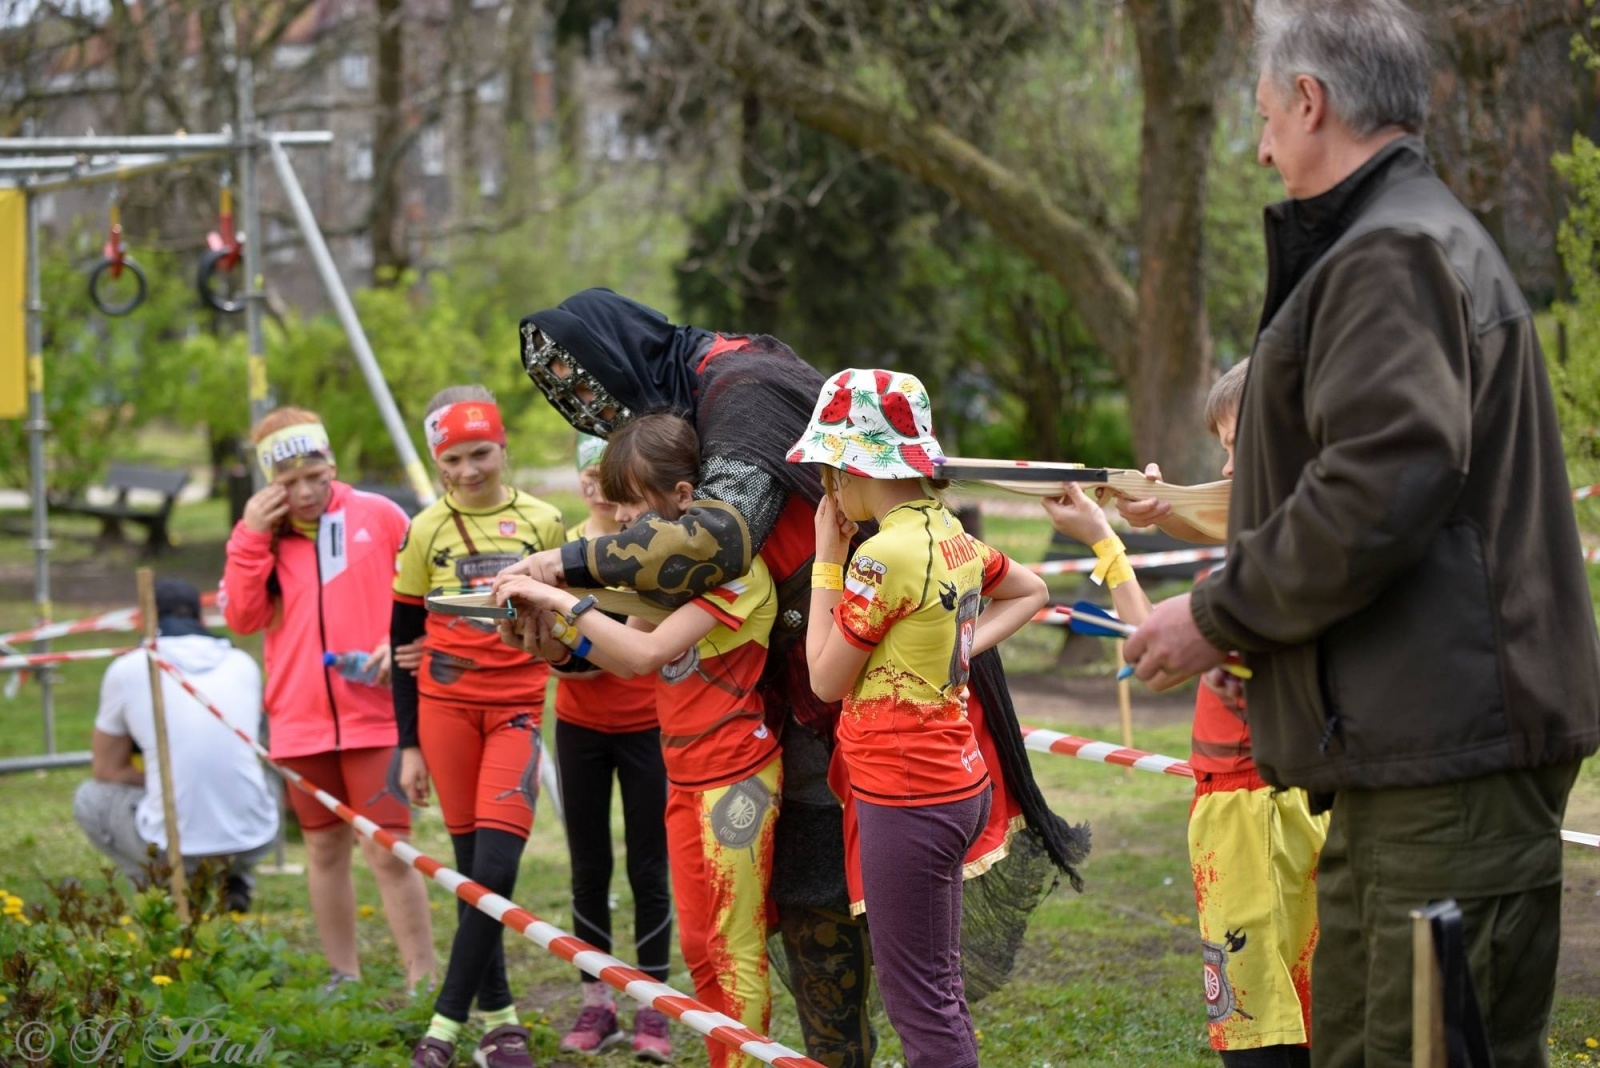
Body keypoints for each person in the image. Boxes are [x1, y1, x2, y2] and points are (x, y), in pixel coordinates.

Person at [1123, 3, 1600, 1064]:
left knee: (1419, 1047)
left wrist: (1216, 615)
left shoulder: (1390, 252)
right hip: (1406, 758)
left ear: (1310, 100)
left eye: (1263, 117)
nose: (1257, 148)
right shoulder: (1402, 239)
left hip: (1446, 766)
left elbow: (1382, 480)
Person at [501, 288, 1087, 1067]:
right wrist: (562, 636)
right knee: (829, 936)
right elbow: (648, 620)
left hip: (862, 716)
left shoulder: (743, 389)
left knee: (905, 978)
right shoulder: (708, 409)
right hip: (806, 710)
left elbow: (718, 541)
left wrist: (560, 566)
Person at [1048, 360, 1328, 1068]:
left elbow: (1164, 665)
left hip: (1256, 815)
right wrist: (1120, 532)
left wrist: (1131, 527)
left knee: (1264, 1038)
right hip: (1252, 812)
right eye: (1223, 451)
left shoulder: (1268, 571)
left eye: (1240, 447)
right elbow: (1163, 656)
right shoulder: (1276, 558)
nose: (1228, 468)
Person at [496, 412, 782, 1068]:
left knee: (734, 953)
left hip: (735, 780)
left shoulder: (738, 575)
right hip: (687, 775)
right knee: (701, 949)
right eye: (614, 503)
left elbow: (643, 654)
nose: (622, 521)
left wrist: (554, 595)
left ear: (683, 500)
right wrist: (548, 623)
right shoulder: (684, 573)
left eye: (632, 504)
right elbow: (620, 628)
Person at [794, 369, 1048, 1068]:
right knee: (935, 989)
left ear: (851, 467)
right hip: (951, 783)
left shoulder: (880, 557)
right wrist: (959, 648)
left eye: (827, 469)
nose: (827, 487)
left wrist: (825, 559)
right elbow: (1032, 589)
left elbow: (822, 679)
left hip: (909, 794)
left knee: (919, 1003)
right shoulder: (951, 533)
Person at [220, 406, 437, 996]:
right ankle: (344, 975)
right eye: (289, 484)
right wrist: (249, 537)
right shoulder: (259, 538)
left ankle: (423, 978)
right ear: (269, 484)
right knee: (322, 848)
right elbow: (242, 616)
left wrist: (400, 645)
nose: (307, 492)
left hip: (375, 717)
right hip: (299, 722)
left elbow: (427, 598)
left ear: (331, 463)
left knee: (389, 848)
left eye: (316, 476)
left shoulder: (380, 515)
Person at [390, 387, 564, 1068]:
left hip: (518, 709)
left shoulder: (546, 521)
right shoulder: (425, 528)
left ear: (503, 448)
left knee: (495, 867)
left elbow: (569, 619)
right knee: (470, 874)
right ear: (439, 464)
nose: (470, 470)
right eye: (454, 459)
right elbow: (403, 636)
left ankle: (442, 1029)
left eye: (481, 453)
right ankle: (503, 1023)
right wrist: (407, 745)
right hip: (444, 712)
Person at [549, 433, 674, 1062]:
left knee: (650, 868)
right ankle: (596, 1000)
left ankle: (654, 1006)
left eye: (607, 474)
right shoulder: (564, 550)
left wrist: (576, 644)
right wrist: (547, 643)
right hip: (579, 728)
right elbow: (561, 653)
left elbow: (622, 650)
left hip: (646, 723)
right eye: (588, 474)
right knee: (588, 867)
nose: (598, 486)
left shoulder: (650, 544)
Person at [73, 577, 278, 914]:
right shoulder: (243, 663)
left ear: (142, 620)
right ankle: (237, 877)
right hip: (255, 838)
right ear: (201, 618)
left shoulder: (128, 668)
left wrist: (164, 775)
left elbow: (107, 768)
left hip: (174, 842)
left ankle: (159, 888)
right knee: (259, 777)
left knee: (89, 798)